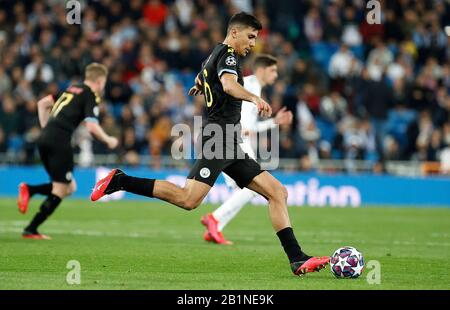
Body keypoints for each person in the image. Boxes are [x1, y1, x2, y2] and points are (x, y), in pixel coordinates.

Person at [91, 12, 329, 275]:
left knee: (277, 192)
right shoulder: (227, 54)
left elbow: (201, 78)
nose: (252, 43)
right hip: (218, 138)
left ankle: (297, 258)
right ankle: (119, 181)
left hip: (230, 141)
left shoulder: (213, 55)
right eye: (250, 36)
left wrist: (201, 87)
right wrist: (253, 98)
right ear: (234, 32)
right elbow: (228, 85)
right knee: (188, 199)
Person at [17, 63, 119, 239]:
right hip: (59, 141)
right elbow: (92, 126)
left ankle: (30, 190)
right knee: (61, 189)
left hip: (44, 139)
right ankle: (31, 229)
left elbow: (43, 103)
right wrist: (109, 139)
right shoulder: (90, 94)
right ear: (101, 81)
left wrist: (47, 130)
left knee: (69, 187)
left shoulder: (72, 88)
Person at [201, 54, 293, 245]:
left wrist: (273, 122)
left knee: (247, 189)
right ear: (261, 70)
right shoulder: (249, 85)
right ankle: (215, 219)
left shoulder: (255, 87)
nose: (276, 75)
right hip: (235, 142)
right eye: (273, 70)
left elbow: (250, 128)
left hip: (237, 140)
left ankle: (215, 226)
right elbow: (239, 120)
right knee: (252, 188)